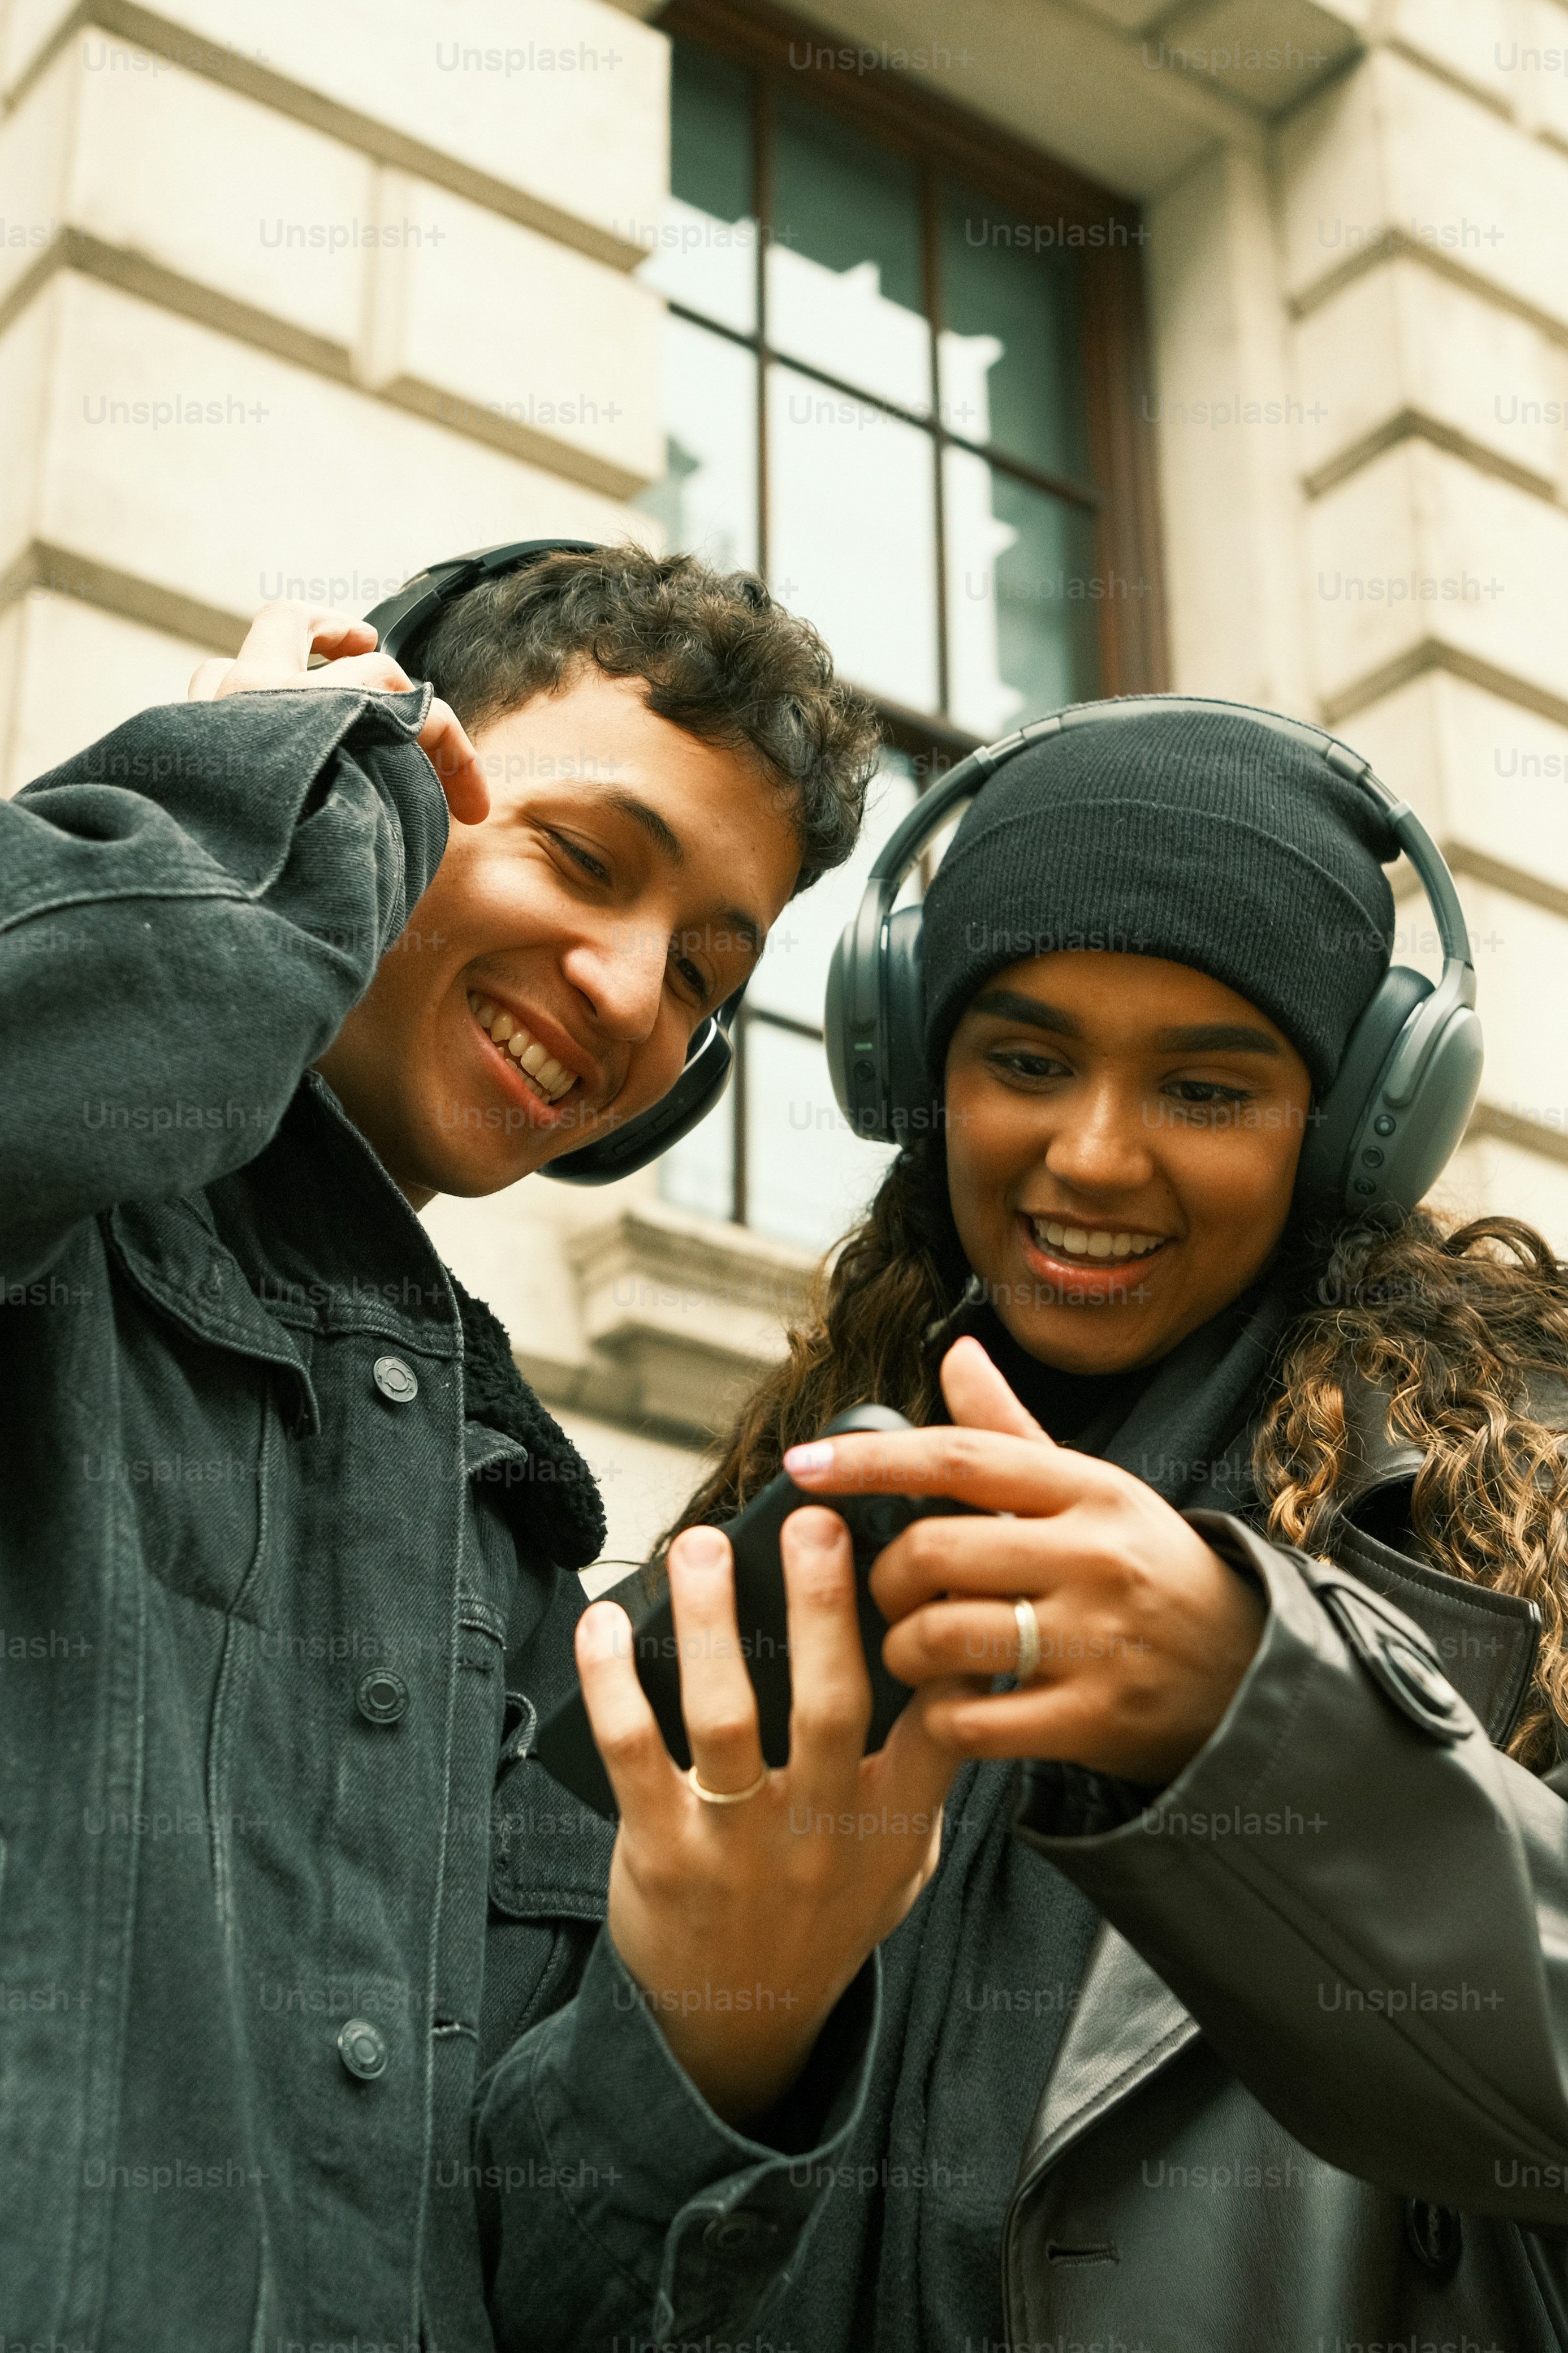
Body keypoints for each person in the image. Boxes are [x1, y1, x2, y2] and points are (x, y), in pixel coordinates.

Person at [477, 700, 1568, 2352]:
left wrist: (1244, 1717)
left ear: (1350, 1131)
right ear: (924, 1075)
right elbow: (511, 2281)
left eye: (1208, 1088)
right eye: (1029, 1062)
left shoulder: (1520, 1506)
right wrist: (712, 2037)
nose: (1095, 1156)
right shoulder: (767, 1559)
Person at [0, 543, 880, 2349]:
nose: (638, 997)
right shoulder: (69, 1243)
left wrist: (726, 2013)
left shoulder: (518, 1556)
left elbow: (540, 2290)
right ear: (385, 780)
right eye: (584, 859)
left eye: (708, 977)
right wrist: (255, 798)